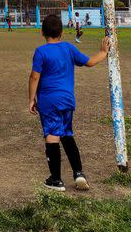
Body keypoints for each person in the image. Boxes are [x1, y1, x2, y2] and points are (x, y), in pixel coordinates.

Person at [28, 15, 109, 192]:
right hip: (67, 99)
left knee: (52, 136)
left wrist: (31, 98)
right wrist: (103, 52)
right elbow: (89, 62)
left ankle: (56, 180)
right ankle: (78, 173)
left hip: (49, 101)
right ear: (62, 33)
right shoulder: (68, 48)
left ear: (42, 32)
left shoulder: (41, 52)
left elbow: (35, 76)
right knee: (66, 134)